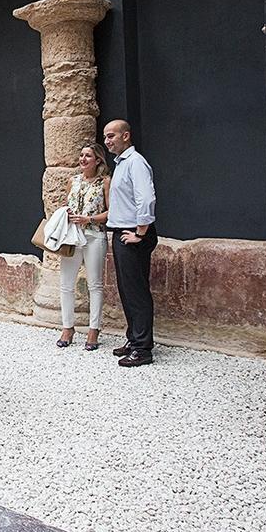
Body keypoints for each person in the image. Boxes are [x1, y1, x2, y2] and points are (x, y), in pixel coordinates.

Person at [102, 119, 158, 367]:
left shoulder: (136, 163)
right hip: (122, 233)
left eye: (112, 136)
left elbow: (146, 199)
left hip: (133, 234)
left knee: (136, 291)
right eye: (105, 137)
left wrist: (141, 233)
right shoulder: (122, 164)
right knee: (126, 289)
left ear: (126, 136)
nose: (107, 141)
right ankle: (134, 338)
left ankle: (143, 349)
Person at [57, 141, 111, 351]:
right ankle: (67, 327)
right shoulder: (73, 181)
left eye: (88, 156)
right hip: (71, 236)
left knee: (95, 284)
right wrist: (66, 213)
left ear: (97, 160)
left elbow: (111, 213)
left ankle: (93, 329)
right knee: (66, 284)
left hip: (94, 235)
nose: (83, 159)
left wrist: (88, 219)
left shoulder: (105, 182)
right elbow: (65, 204)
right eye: (81, 155)